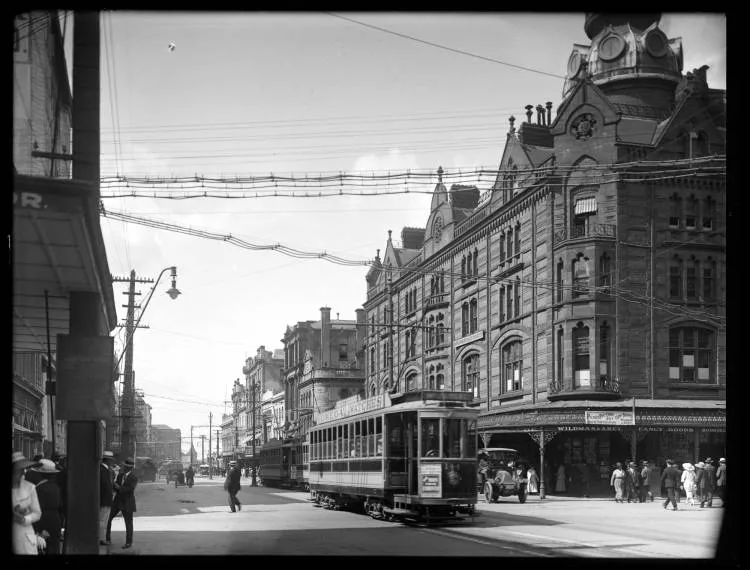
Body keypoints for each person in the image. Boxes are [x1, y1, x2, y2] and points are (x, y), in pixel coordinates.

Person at [103, 458, 138, 549]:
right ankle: (107, 539)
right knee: (108, 519)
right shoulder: (120, 476)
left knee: (128, 523)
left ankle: (128, 542)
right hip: (117, 501)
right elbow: (116, 486)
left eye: (126, 467)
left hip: (127, 502)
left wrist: (118, 488)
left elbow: (130, 489)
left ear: (130, 468)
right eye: (124, 466)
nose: (124, 468)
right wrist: (114, 486)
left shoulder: (133, 477)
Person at [30, 459, 63, 555]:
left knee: (40, 549)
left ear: (40, 474)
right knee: (54, 548)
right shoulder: (56, 487)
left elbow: (37, 509)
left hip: (43, 521)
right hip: (55, 520)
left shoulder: (39, 489)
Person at [13, 452, 43, 555]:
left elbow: (37, 513)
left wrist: (24, 519)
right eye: (19, 470)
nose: (23, 473)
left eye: (24, 470)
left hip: (25, 533)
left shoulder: (30, 487)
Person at [99, 451, 115, 551]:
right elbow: (105, 486)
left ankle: (101, 537)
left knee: (103, 520)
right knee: (103, 520)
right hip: (104, 500)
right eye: (111, 460)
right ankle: (101, 538)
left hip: (105, 499)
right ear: (108, 460)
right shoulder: (103, 470)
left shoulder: (105, 470)